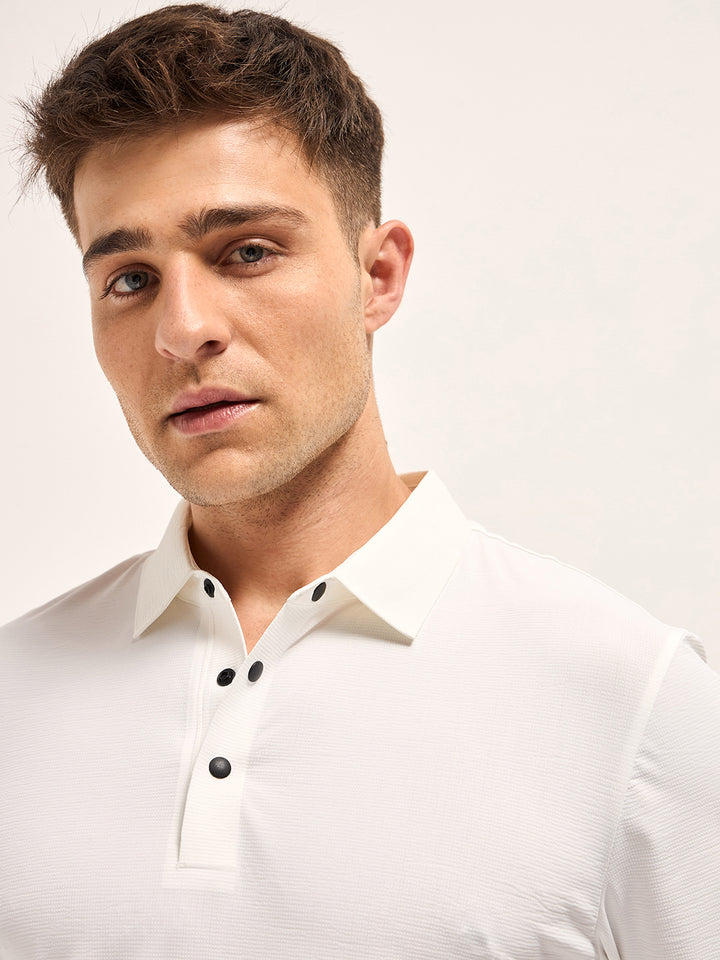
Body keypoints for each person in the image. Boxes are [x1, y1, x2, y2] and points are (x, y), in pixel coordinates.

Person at [1, 4, 718, 958]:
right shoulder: (13, 697)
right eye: (129, 278)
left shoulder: (631, 702)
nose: (183, 330)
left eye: (246, 252)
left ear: (377, 276)